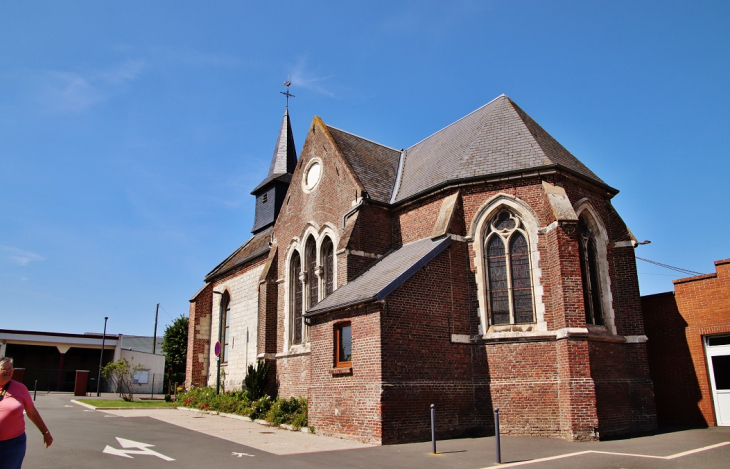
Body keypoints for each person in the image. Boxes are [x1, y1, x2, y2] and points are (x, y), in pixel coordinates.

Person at [0, 357, 53, 468]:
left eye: (10, 369)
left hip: (13, 444)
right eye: (4, 368)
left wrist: (45, 432)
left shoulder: (20, 388)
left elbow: (32, 413)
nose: (8, 371)